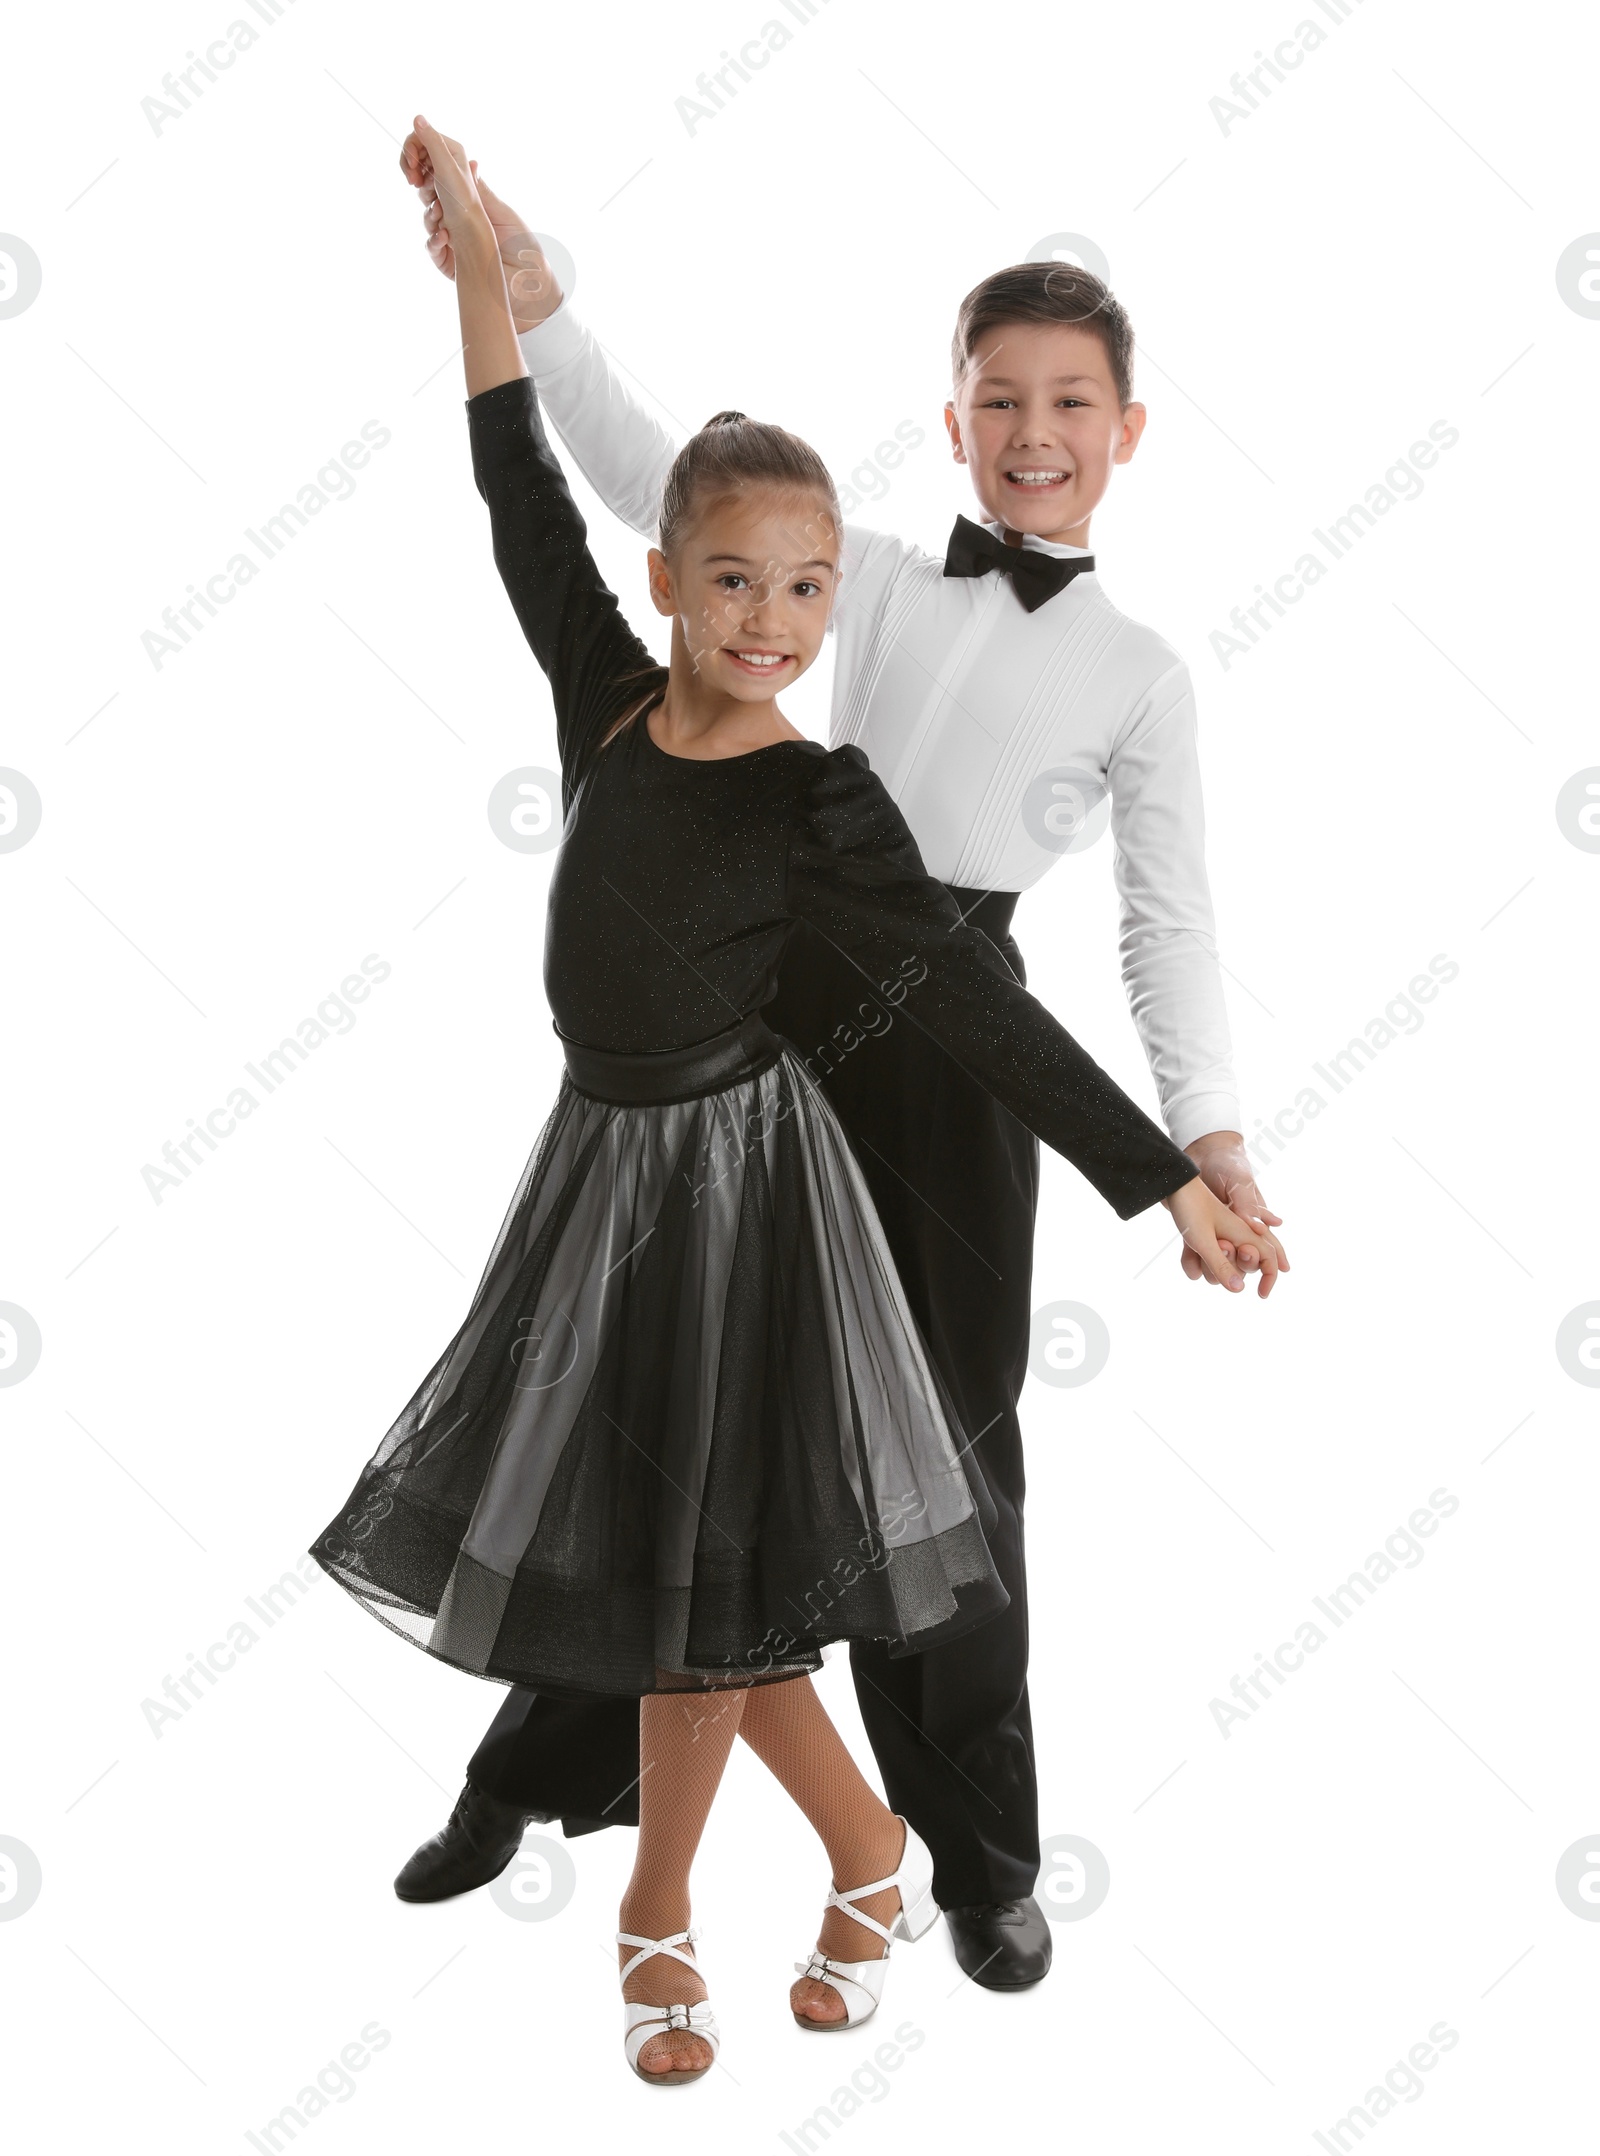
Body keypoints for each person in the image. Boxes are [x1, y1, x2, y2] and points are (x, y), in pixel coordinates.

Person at [320, 119, 1275, 2078]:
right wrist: (499, 270)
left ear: (1123, 431)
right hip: (725, 1064)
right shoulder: (856, 594)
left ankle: (963, 1857)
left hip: (911, 1027)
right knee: (661, 1470)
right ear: (952, 416)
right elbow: (570, 482)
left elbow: (1099, 951)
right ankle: (575, 1791)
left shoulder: (1114, 680)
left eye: (1068, 404)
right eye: (997, 398)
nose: (1031, 431)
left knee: (922, 1486)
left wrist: (1182, 1155)